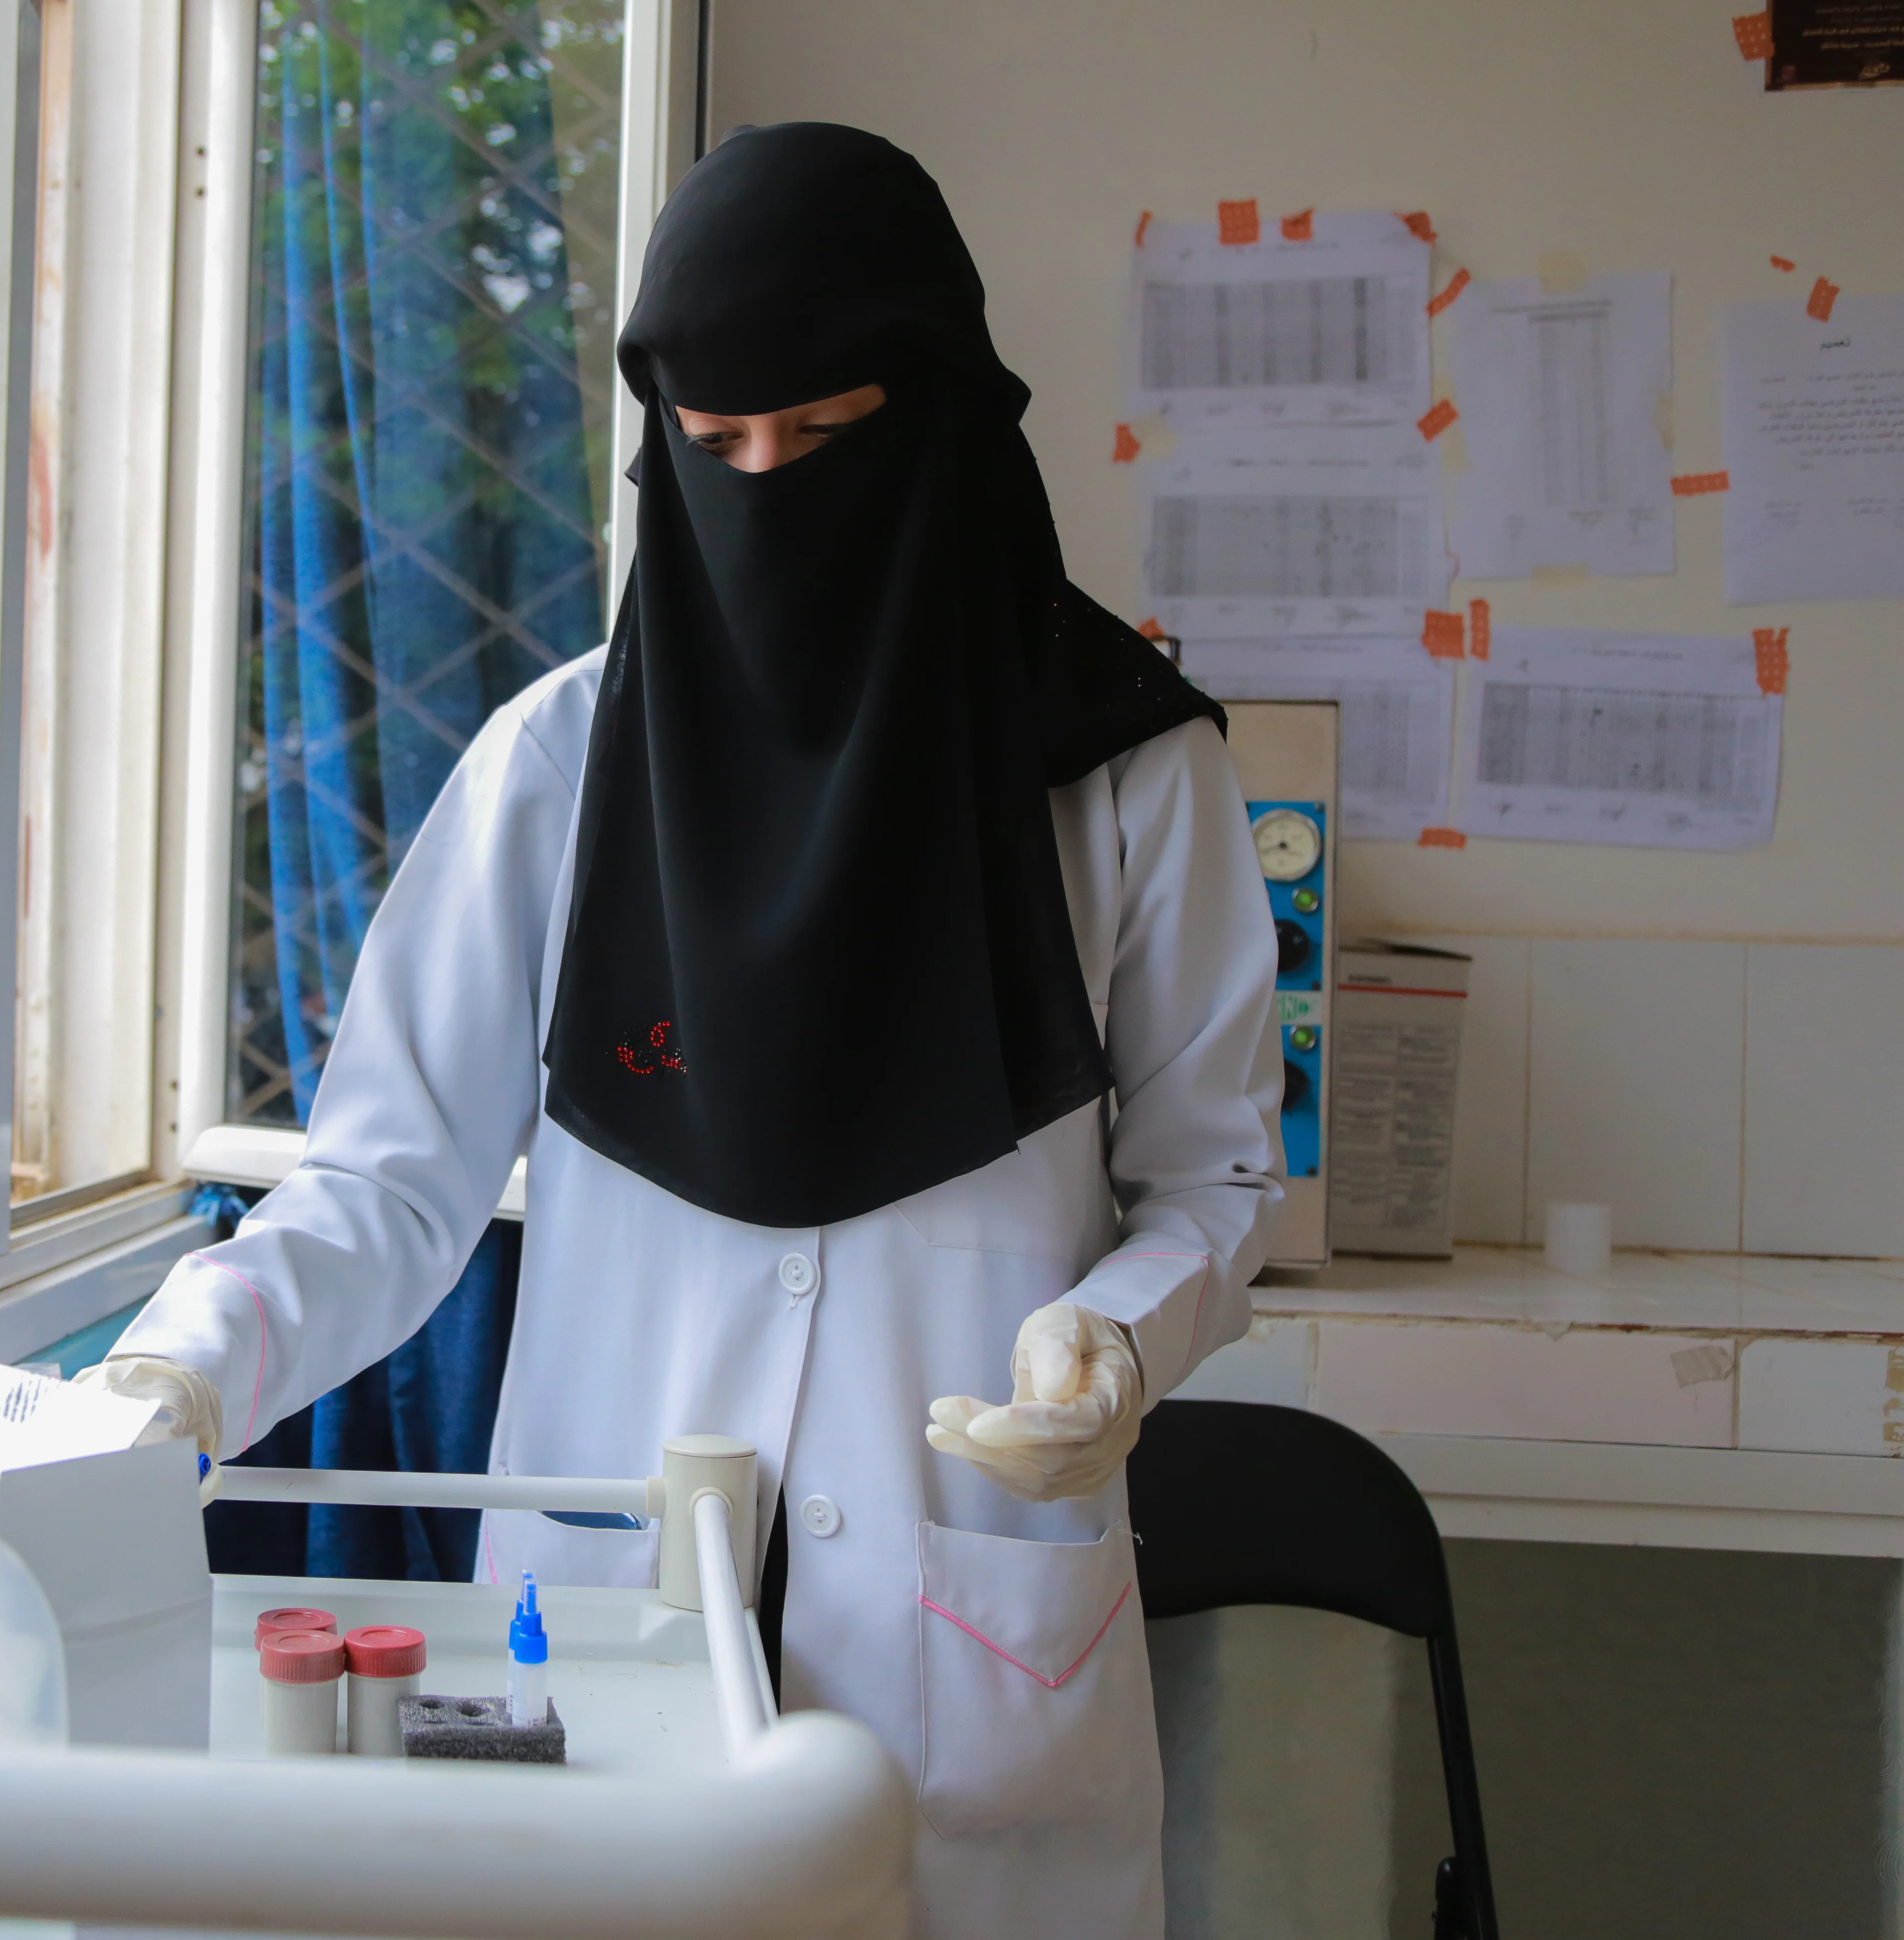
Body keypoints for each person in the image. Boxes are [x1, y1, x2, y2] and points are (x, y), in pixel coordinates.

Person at [80, 122, 1281, 1937]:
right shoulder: (560, 769)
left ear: (945, 419)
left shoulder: (1124, 774)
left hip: (969, 1667)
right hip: (604, 1635)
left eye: (824, 435)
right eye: (716, 448)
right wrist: (184, 1368)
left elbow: (1216, 1186)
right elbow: (392, 1187)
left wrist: (1114, 1345)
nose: (766, 488)